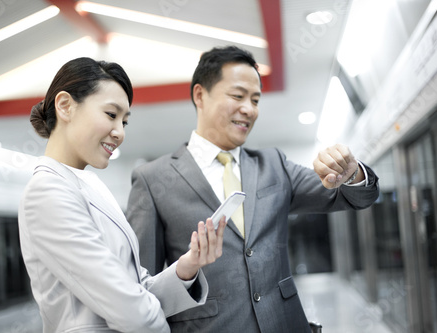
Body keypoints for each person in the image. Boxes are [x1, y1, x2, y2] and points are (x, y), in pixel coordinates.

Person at [126, 46, 379, 333]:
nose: (249, 109)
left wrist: (351, 172)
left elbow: (354, 195)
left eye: (255, 99)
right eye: (237, 96)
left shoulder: (273, 165)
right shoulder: (152, 179)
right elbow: (142, 287)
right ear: (200, 95)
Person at [18, 57, 226, 333]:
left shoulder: (91, 186)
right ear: (65, 106)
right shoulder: (46, 192)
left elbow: (135, 288)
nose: (119, 132)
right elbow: (130, 310)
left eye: (124, 122)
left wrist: (188, 265)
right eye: (111, 115)